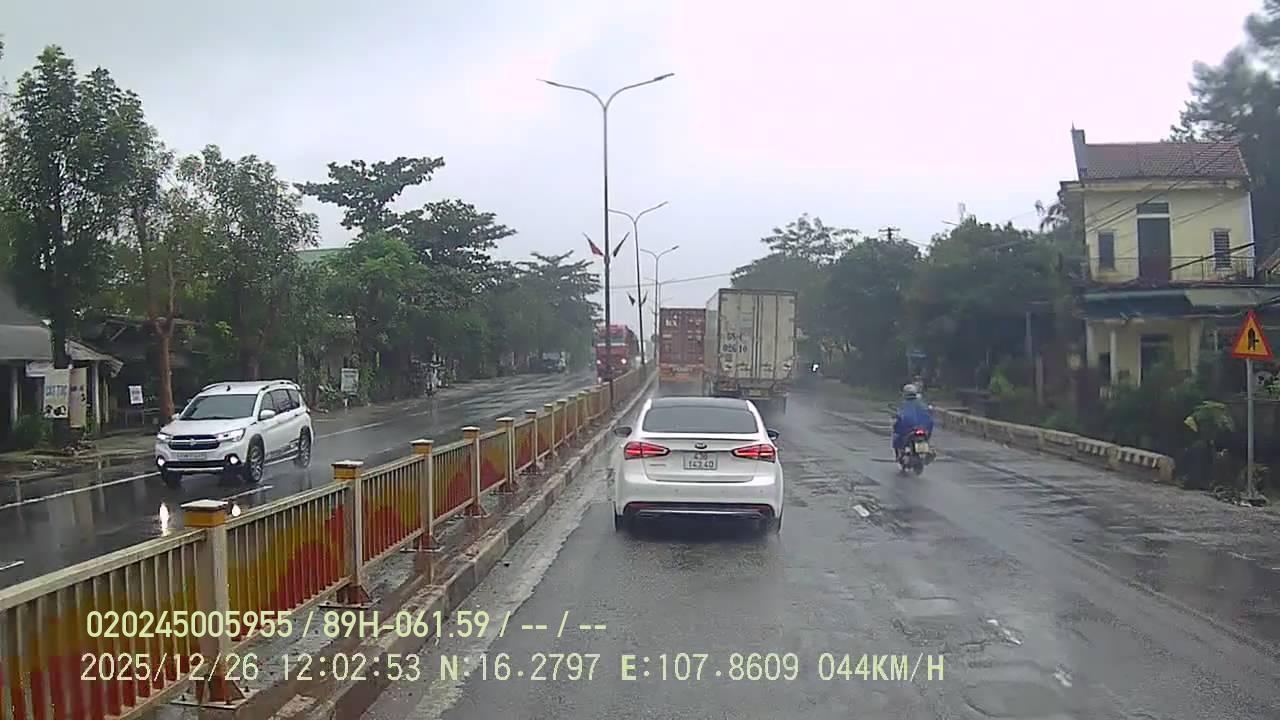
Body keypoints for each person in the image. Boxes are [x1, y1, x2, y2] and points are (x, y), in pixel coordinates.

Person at [892, 383, 934, 460]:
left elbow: (899, 415)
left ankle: (900, 452)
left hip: (912, 428)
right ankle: (901, 452)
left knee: (897, 434)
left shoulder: (905, 404)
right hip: (920, 427)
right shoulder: (920, 402)